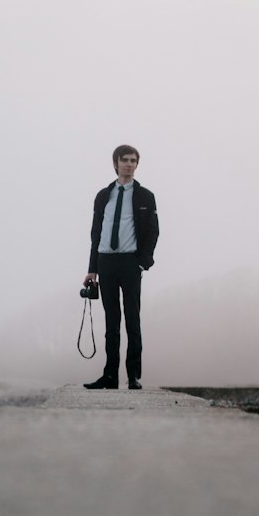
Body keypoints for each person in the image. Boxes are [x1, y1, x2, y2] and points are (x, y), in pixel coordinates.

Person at [83, 145, 159, 391]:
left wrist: (142, 262)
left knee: (132, 321)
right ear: (115, 163)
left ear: (137, 164)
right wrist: (92, 268)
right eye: (124, 160)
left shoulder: (145, 196)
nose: (129, 164)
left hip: (130, 262)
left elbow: (153, 231)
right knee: (111, 322)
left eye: (133, 160)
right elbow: (96, 232)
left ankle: (133, 376)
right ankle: (110, 376)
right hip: (105, 262)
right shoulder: (103, 195)